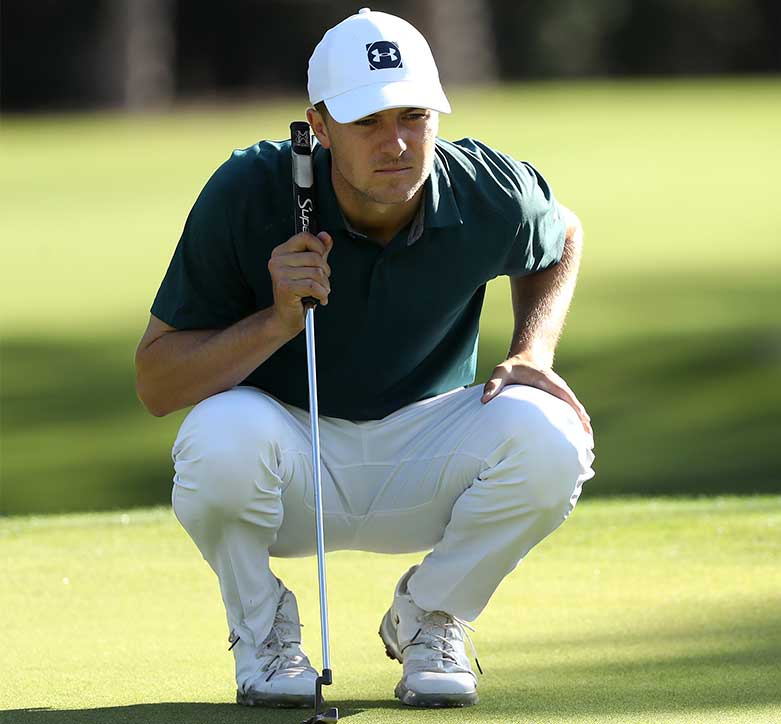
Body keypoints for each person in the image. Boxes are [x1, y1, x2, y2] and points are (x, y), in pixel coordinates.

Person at [133, 8, 595, 710]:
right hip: (289, 462)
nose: (398, 142)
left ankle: (430, 617)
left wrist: (532, 349)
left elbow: (561, 232)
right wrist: (276, 321)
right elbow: (157, 382)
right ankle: (262, 636)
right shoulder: (248, 191)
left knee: (553, 435)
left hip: (427, 454)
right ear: (317, 127)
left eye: (414, 116)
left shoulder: (483, 188)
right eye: (368, 121)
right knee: (217, 435)